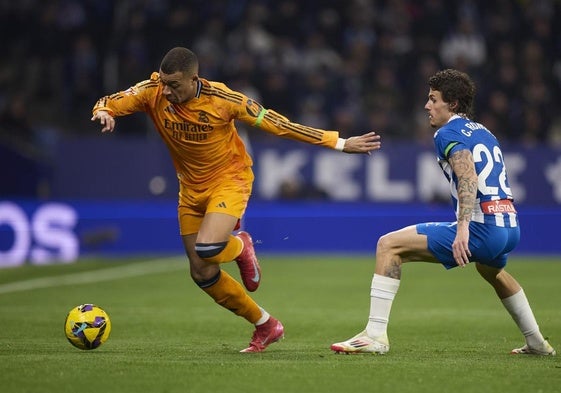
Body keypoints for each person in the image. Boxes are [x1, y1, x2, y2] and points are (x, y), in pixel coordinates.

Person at [91, 47, 381, 353]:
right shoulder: (153, 92)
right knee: (201, 271)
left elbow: (278, 124)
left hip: (229, 180)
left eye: (174, 85)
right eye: (163, 83)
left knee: (208, 247)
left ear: (194, 79)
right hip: (190, 189)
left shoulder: (224, 100)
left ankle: (241, 244)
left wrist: (339, 142)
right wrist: (104, 111)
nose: (166, 91)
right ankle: (265, 325)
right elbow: (112, 100)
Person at [331, 69, 556, 356]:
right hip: (509, 226)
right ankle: (536, 341)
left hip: (482, 227)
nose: (427, 106)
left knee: (388, 245)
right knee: (493, 271)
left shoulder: (446, 132)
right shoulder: (484, 131)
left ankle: (374, 335)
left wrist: (463, 229)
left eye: (433, 99)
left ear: (453, 104)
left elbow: (468, 177)